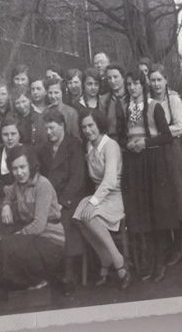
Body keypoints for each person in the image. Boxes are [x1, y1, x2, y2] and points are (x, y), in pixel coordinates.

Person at [120, 69, 175, 282]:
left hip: (153, 163)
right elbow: (126, 135)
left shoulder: (154, 107)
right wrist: (130, 144)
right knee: (141, 213)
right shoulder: (126, 108)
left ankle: (160, 264)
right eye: (129, 84)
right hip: (135, 164)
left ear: (143, 85)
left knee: (156, 213)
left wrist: (145, 143)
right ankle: (149, 263)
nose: (132, 88)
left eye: (135, 83)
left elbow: (167, 137)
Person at [0, 145, 65, 293]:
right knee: (2, 246)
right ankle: (22, 285)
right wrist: (5, 206)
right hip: (33, 238)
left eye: (23, 167)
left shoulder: (43, 185)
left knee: (9, 245)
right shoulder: (17, 184)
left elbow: (39, 225)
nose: (19, 172)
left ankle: (38, 280)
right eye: (15, 169)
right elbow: (8, 196)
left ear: (31, 165)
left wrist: (17, 235)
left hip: (51, 239)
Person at [72, 110, 130, 289]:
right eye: (84, 127)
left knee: (90, 214)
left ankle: (118, 262)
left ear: (99, 125)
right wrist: (92, 201)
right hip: (99, 195)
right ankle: (106, 257)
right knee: (79, 217)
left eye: (91, 125)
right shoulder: (89, 146)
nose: (88, 130)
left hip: (113, 195)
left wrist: (93, 202)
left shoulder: (110, 145)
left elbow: (111, 180)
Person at [37, 109, 87, 291]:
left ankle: (69, 273)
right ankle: (48, 273)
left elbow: (77, 178)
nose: (48, 132)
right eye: (46, 129)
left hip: (70, 198)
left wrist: (63, 201)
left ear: (62, 126)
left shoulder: (74, 145)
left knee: (64, 221)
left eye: (52, 128)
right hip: (50, 197)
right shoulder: (43, 149)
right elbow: (40, 176)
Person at [147, 64, 182, 266]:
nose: (155, 84)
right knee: (162, 200)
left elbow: (179, 127)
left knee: (176, 197)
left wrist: (156, 135)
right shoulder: (147, 101)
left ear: (166, 80)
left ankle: (178, 248)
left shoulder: (173, 100)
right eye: (152, 80)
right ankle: (167, 244)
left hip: (171, 152)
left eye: (159, 80)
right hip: (155, 154)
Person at [0, 115, 24, 241]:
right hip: (1, 195)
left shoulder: (28, 152)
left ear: (20, 134)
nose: (9, 138)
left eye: (13, 134)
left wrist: (8, 202)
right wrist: (5, 192)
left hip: (25, 195)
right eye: (5, 134)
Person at [101, 64, 128, 145]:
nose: (112, 81)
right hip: (111, 142)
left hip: (131, 142)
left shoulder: (131, 97)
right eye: (109, 78)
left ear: (123, 78)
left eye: (115, 77)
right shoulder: (103, 100)